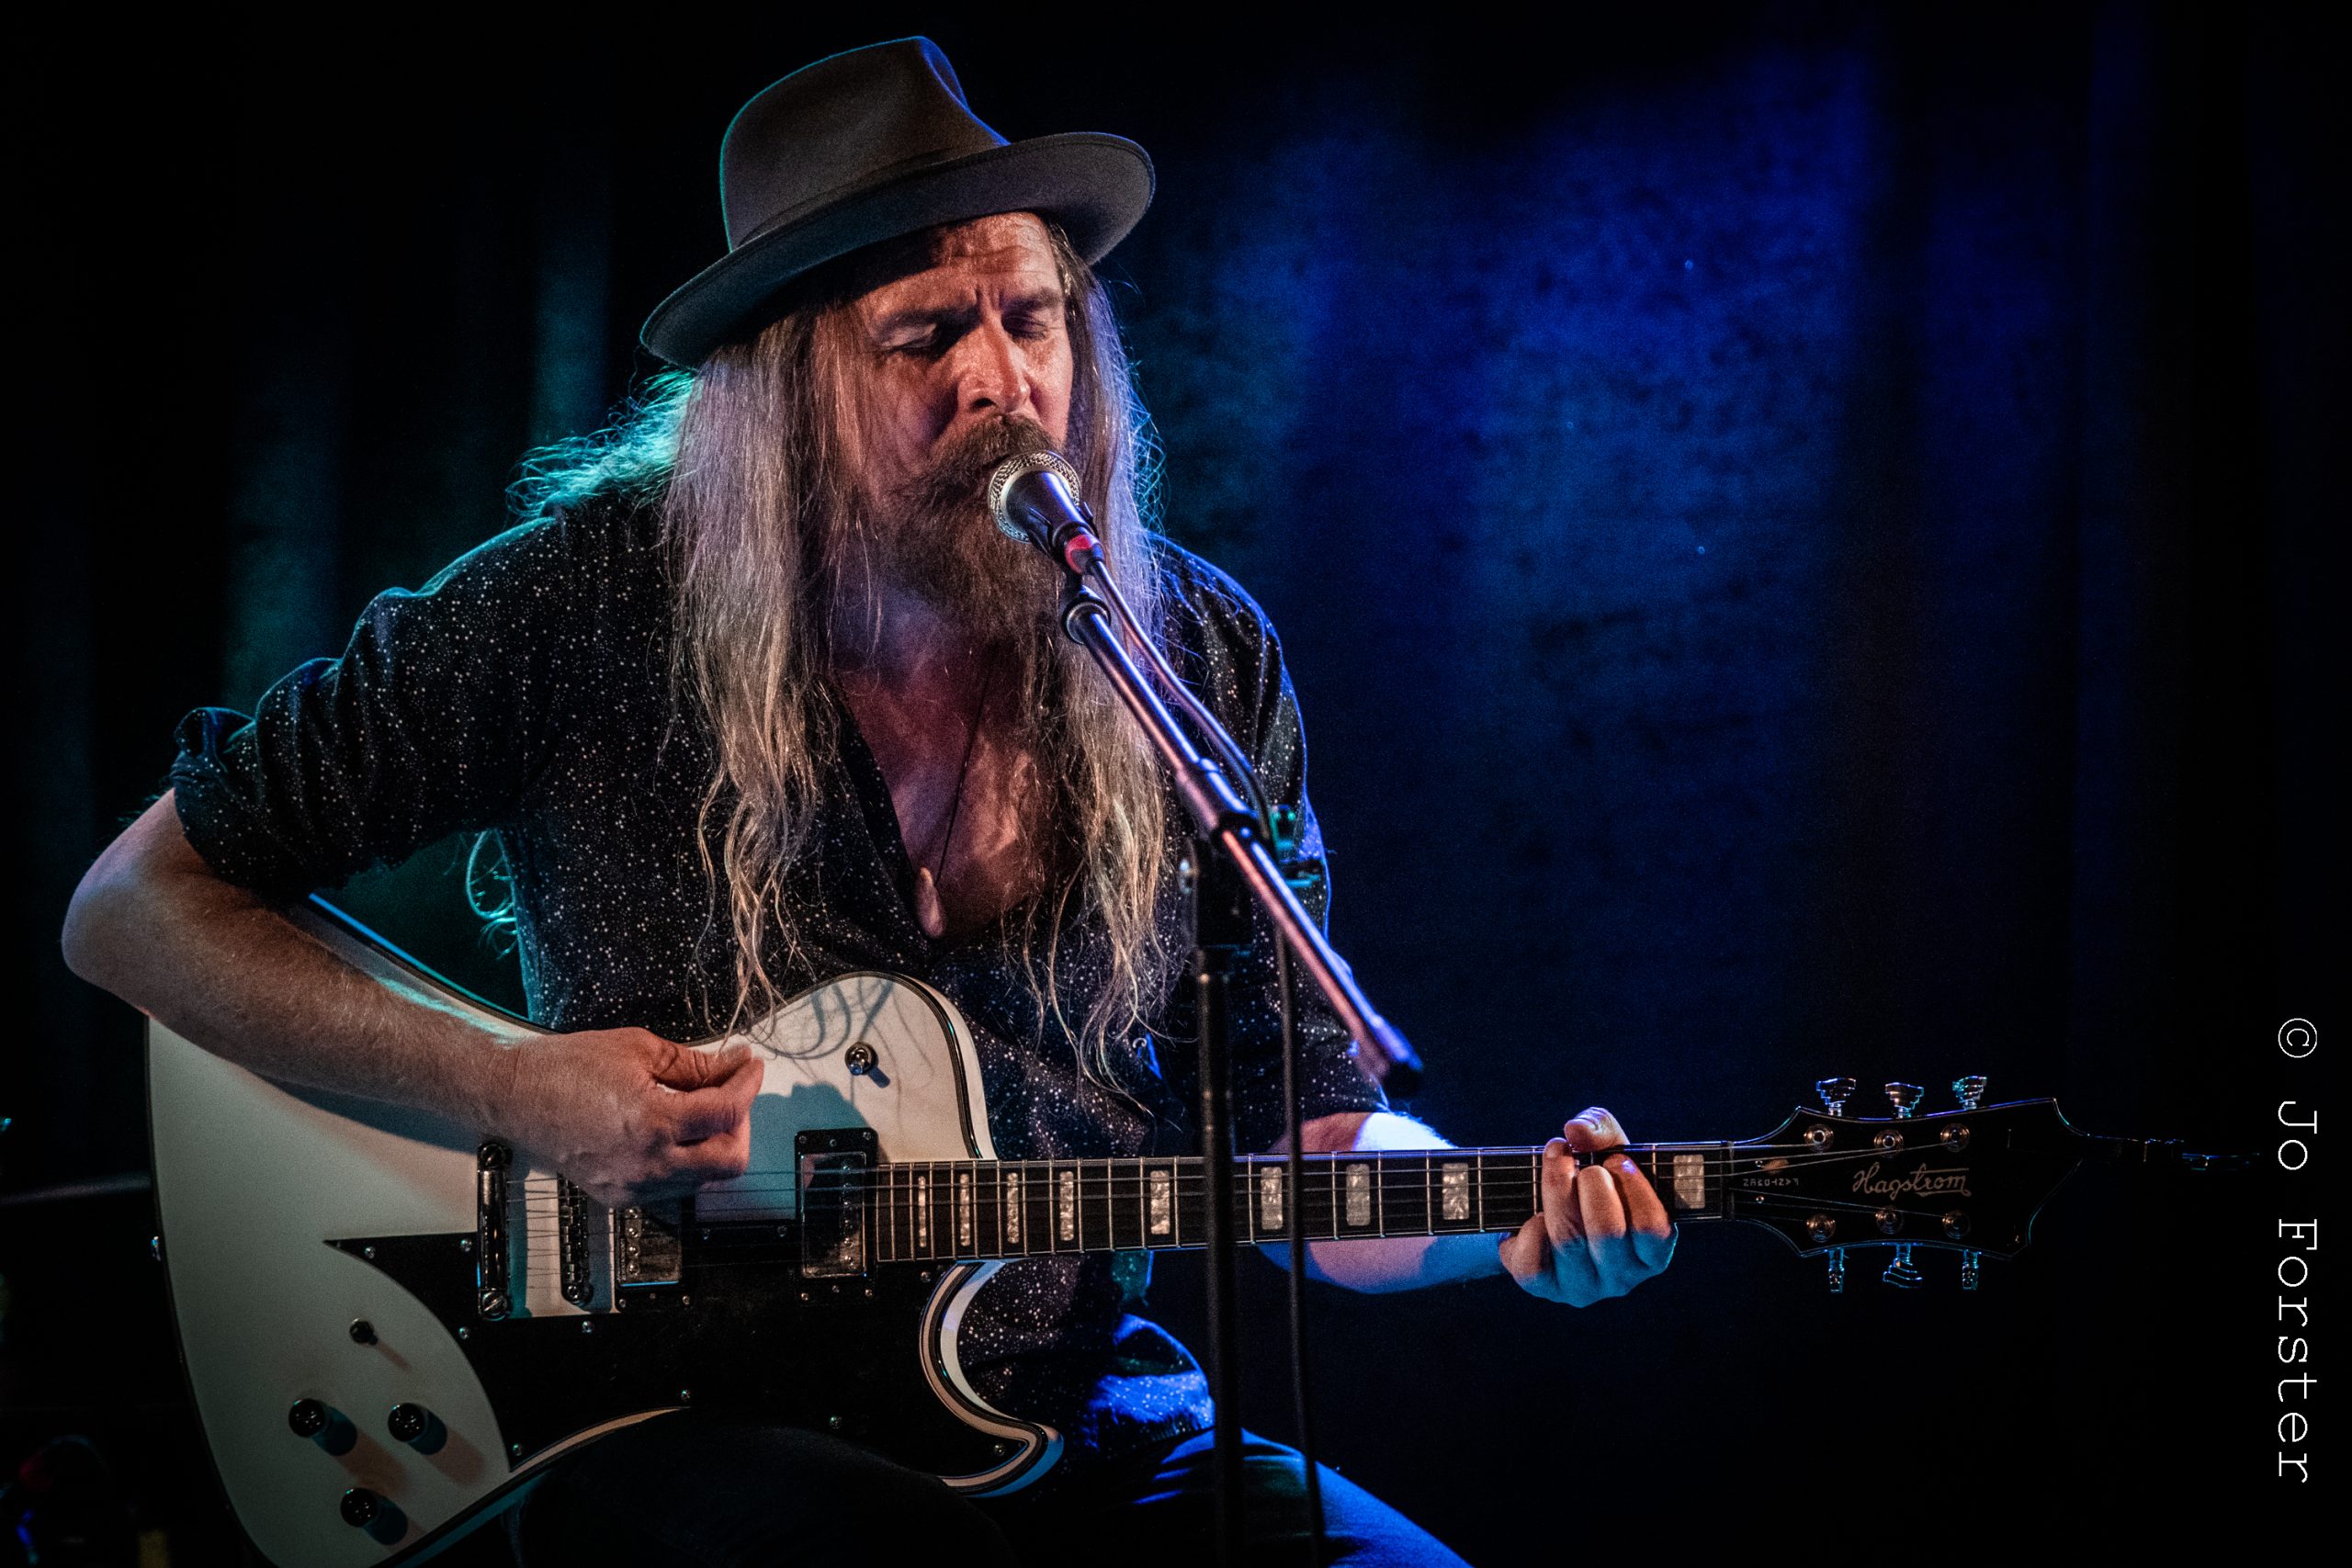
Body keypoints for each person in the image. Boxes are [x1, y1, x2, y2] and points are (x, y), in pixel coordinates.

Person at [62, 38, 1673, 1566]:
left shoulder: (1191, 656)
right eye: (926, 337)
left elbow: (1294, 1134)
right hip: (655, 1421)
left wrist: (1510, 1222)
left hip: (1066, 1423)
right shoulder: (586, 607)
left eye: (1033, 319)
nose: (1002, 383)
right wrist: (514, 1086)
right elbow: (131, 908)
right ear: (785, 389)